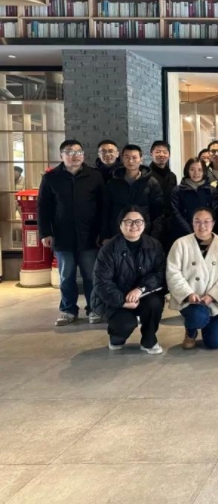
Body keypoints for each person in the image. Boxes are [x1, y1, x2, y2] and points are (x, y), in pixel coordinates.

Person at [38, 139, 106, 326]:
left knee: (91, 275)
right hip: (62, 236)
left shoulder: (94, 176)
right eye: (69, 152)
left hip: (90, 236)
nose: (74, 156)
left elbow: (103, 206)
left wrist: (102, 232)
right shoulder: (51, 178)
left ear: (83, 155)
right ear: (61, 155)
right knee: (66, 276)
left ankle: (94, 308)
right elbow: (43, 208)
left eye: (78, 152)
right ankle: (68, 310)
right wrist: (45, 232)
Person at [93, 206, 166, 354]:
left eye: (138, 221)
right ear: (120, 224)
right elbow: (102, 282)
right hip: (114, 298)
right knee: (125, 324)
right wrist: (122, 301)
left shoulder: (154, 245)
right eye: (128, 222)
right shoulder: (109, 249)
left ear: (144, 224)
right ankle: (116, 337)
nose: (134, 225)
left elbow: (160, 273)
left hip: (143, 294)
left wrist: (140, 288)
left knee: (154, 303)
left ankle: (149, 340)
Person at [166, 207, 218, 350]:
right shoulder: (180, 244)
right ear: (192, 223)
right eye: (197, 221)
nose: (202, 226)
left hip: (214, 302)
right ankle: (190, 332)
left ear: (213, 223)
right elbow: (173, 273)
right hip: (190, 301)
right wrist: (188, 294)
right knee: (197, 316)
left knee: (215, 342)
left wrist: (212, 296)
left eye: (207, 221)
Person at [103, 144, 164, 243]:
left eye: (134, 157)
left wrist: (154, 236)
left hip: (144, 233)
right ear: (122, 159)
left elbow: (158, 214)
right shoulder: (113, 182)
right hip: (117, 233)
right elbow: (106, 210)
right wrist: (105, 235)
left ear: (141, 159)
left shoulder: (152, 183)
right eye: (127, 157)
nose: (130, 161)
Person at [171, 157, 218, 239]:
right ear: (187, 171)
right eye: (192, 169)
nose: (196, 173)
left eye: (200, 170)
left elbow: (214, 212)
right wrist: (190, 231)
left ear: (204, 172)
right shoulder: (177, 190)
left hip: (206, 231)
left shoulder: (211, 190)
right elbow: (175, 213)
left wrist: (203, 228)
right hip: (183, 233)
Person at [149, 140, 178, 250]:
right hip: (152, 223)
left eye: (165, 152)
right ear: (151, 154)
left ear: (169, 155)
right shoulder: (145, 175)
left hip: (170, 223)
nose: (161, 154)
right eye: (158, 152)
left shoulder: (172, 176)